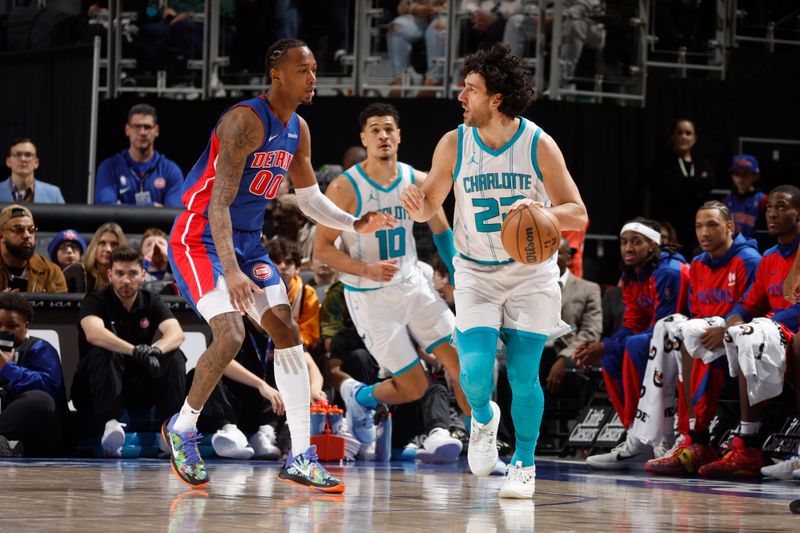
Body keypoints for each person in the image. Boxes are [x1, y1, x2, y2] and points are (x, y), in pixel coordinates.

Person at [164, 38, 393, 492]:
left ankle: (301, 456)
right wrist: (230, 269)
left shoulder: (299, 130)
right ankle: (183, 426)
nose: (313, 78)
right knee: (229, 333)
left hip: (248, 241)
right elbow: (219, 204)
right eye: (303, 70)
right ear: (277, 74)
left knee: (286, 329)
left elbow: (308, 200)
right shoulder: (244, 122)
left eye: (314, 69)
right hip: (200, 238)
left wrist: (354, 223)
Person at [400, 43, 588, 499]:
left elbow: (577, 214)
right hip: (476, 273)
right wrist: (418, 205)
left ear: (496, 99)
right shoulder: (453, 142)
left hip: (530, 274)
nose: (460, 97)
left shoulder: (537, 144)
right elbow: (430, 207)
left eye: (470, 90)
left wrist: (542, 210)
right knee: (475, 373)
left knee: (524, 376)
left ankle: (524, 461)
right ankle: (483, 419)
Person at [314, 101, 468, 457]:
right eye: (375, 130)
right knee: (414, 387)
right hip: (371, 299)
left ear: (399, 136)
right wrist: (365, 269)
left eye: (389, 129)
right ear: (364, 139)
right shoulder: (345, 188)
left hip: (414, 288)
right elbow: (321, 249)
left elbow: (443, 233)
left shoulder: (416, 179)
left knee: (462, 363)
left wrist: (462, 280)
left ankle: (482, 442)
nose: (383, 135)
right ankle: (359, 396)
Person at [624, 202, 759, 474]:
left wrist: (726, 330)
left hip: (741, 339)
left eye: (712, 225)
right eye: (699, 226)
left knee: (691, 340)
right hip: (708, 340)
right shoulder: (697, 264)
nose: (704, 232)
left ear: (730, 227)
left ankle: (693, 438)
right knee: (673, 330)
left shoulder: (748, 260)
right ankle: (663, 435)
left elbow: (755, 309)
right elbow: (696, 313)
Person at [700, 185, 800, 479]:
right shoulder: (769, 256)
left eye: (782, 207)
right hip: (772, 328)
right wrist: (731, 321)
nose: (772, 213)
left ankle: (750, 440)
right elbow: (748, 302)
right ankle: (693, 437)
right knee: (699, 333)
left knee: (754, 335)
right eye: (769, 208)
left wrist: (761, 323)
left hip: (785, 327)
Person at [574, 218, 689, 469]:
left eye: (636, 242)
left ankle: (655, 435)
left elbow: (663, 326)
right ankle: (635, 435)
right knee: (612, 356)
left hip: (684, 336)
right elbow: (633, 323)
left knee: (634, 346)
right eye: (624, 242)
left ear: (652, 246)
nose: (628, 248)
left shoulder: (669, 272)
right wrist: (602, 346)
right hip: (656, 337)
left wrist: (607, 345)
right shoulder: (630, 276)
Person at [71, 245, 187, 458]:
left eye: (132, 273)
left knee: (175, 356)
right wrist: (135, 351)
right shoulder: (95, 300)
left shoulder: (152, 300)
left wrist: (155, 351)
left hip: (135, 385)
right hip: (94, 388)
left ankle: (169, 429)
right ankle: (111, 425)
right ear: (110, 275)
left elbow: (176, 333)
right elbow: (94, 333)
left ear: (143, 275)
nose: (126, 280)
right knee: (103, 350)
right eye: (120, 274)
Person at [0, 292, 68, 457]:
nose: (3, 331)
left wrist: (8, 368)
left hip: (42, 435)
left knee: (40, 399)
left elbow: (48, 387)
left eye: (11, 326)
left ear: (26, 326)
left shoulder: (41, 348)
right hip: (9, 432)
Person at [542, 238, 602, 395]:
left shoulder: (588, 289)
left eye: (555, 253)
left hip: (567, 356)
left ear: (568, 258)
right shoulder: (531, 288)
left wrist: (564, 358)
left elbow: (591, 332)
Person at [94, 104, 184, 207]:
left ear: (156, 131)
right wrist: (152, 207)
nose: (142, 132)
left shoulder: (170, 170)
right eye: (137, 127)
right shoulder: (109, 167)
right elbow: (106, 209)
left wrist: (121, 206)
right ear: (127, 130)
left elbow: (173, 215)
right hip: (119, 224)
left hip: (158, 224)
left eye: (147, 127)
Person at [651, 118, 716, 246]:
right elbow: (669, 188)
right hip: (671, 225)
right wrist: (698, 182)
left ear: (695, 138)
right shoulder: (664, 163)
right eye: (679, 133)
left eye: (688, 133)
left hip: (696, 224)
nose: (683, 137)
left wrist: (682, 183)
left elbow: (710, 183)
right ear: (672, 137)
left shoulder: (701, 163)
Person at [266, 237, 321, 352]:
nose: (282, 266)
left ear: (297, 268)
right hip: (264, 345)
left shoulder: (307, 293)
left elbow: (309, 335)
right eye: (277, 262)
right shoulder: (259, 291)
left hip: (296, 349)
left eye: (288, 262)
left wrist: (285, 346)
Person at [0, 204, 66, 293]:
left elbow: (61, 305)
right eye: (18, 229)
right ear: (1, 236)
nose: (27, 235)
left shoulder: (51, 272)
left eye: (31, 230)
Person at [387, 0, 448, 96]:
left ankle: (433, 79)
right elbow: (403, 5)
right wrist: (414, 8)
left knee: (439, 28)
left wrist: (439, 8)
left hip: (446, 15)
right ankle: (400, 78)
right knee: (396, 27)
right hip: (419, 17)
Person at [64, 222, 127, 293]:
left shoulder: (128, 277)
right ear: (94, 246)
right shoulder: (75, 274)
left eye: (114, 244)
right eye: (102, 243)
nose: (108, 249)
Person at [1, 138, 65, 204]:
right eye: (17, 154)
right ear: (8, 162)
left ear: (36, 163)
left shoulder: (54, 194)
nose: (23, 159)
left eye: (28, 155)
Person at [723, 154, 767, 238]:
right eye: (737, 174)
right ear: (731, 176)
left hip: (754, 248)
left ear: (755, 176)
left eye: (745, 174)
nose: (740, 178)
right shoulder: (726, 201)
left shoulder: (763, 201)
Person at [138, 227, 174, 293]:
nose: (155, 247)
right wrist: (147, 260)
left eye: (161, 243)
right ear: (141, 253)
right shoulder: (137, 275)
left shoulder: (176, 275)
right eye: (149, 244)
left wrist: (170, 258)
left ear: (169, 249)